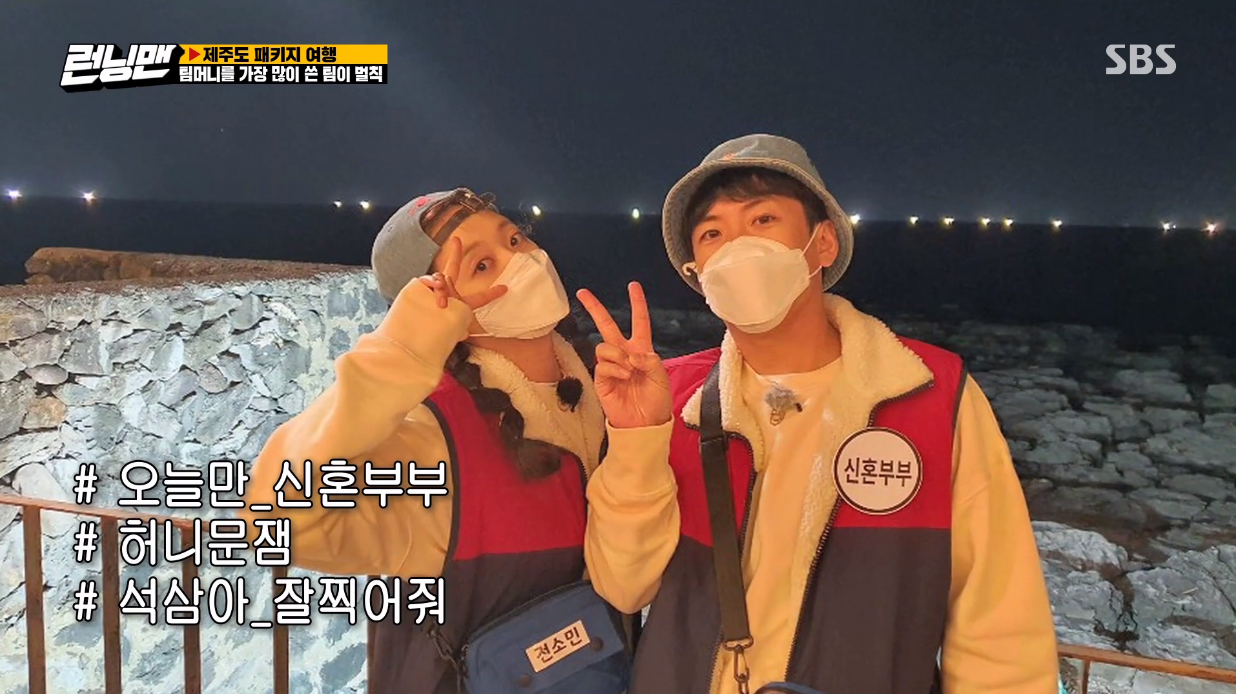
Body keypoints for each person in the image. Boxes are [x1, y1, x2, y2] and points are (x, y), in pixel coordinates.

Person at [578, 134, 1059, 694]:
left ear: (823, 242)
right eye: (712, 234)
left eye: (763, 220)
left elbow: (999, 623)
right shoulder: (673, 401)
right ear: (698, 273)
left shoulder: (928, 394)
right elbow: (623, 585)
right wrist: (636, 440)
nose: (737, 247)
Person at [241, 188, 617, 693]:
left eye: (514, 239)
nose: (521, 261)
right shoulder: (433, 436)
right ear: (438, 308)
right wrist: (403, 350)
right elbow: (273, 521)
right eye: (482, 265)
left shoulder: (608, 396)